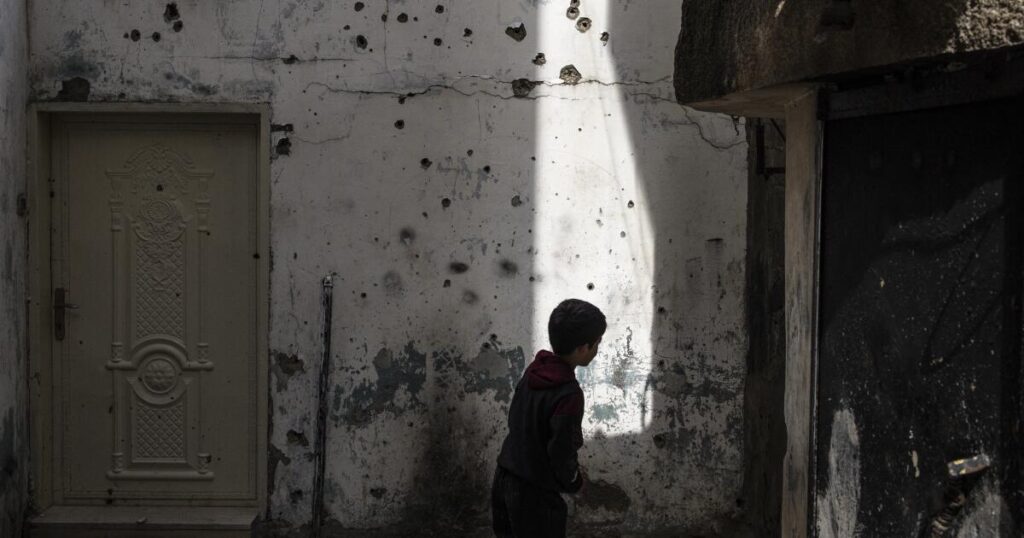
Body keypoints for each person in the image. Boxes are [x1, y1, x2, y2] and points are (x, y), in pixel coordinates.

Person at [491, 298, 607, 538]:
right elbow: (561, 449)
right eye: (597, 343)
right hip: (535, 494)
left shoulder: (534, 371)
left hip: (504, 478)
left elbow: (516, 420)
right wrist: (574, 480)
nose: (598, 349)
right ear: (582, 348)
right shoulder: (569, 393)